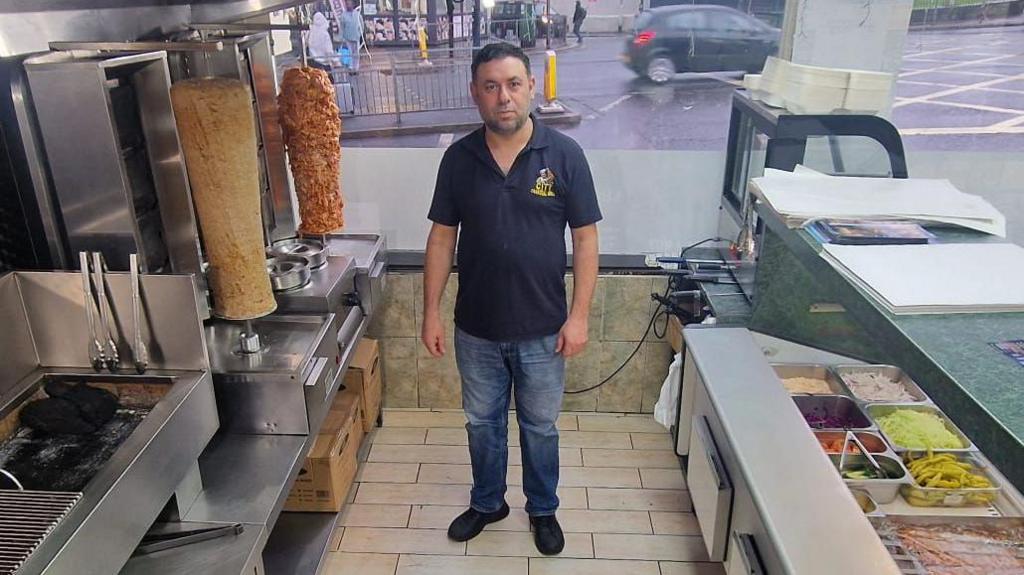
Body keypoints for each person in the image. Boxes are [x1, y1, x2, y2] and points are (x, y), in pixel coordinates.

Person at [422, 42, 601, 556]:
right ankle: (487, 502)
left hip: (545, 328)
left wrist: (579, 317)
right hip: (475, 327)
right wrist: (431, 312)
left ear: (531, 88)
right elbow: (441, 237)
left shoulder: (565, 155)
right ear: (476, 94)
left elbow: (585, 239)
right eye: (491, 86)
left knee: (540, 428)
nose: (504, 97)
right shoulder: (459, 158)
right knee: (482, 424)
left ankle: (542, 509)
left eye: (513, 84)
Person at [341, 2, 365, 73]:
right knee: (350, 53)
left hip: (356, 37)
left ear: (353, 5)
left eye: (349, 4)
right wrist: (342, 37)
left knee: (356, 53)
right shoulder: (343, 15)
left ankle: (356, 68)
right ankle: (351, 68)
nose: (348, 5)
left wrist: (359, 34)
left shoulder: (357, 15)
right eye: (347, 4)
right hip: (347, 37)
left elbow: (362, 26)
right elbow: (342, 27)